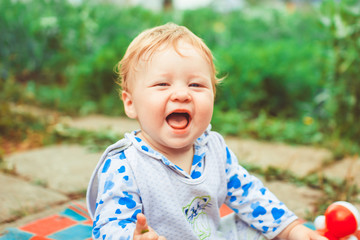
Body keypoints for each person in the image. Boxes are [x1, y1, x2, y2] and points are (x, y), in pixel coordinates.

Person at [86, 23, 326, 240]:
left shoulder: (213, 148)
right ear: (130, 103)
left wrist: (291, 228)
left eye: (196, 85)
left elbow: (248, 193)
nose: (182, 94)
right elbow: (109, 223)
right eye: (162, 84)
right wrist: (131, 236)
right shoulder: (126, 164)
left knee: (258, 227)